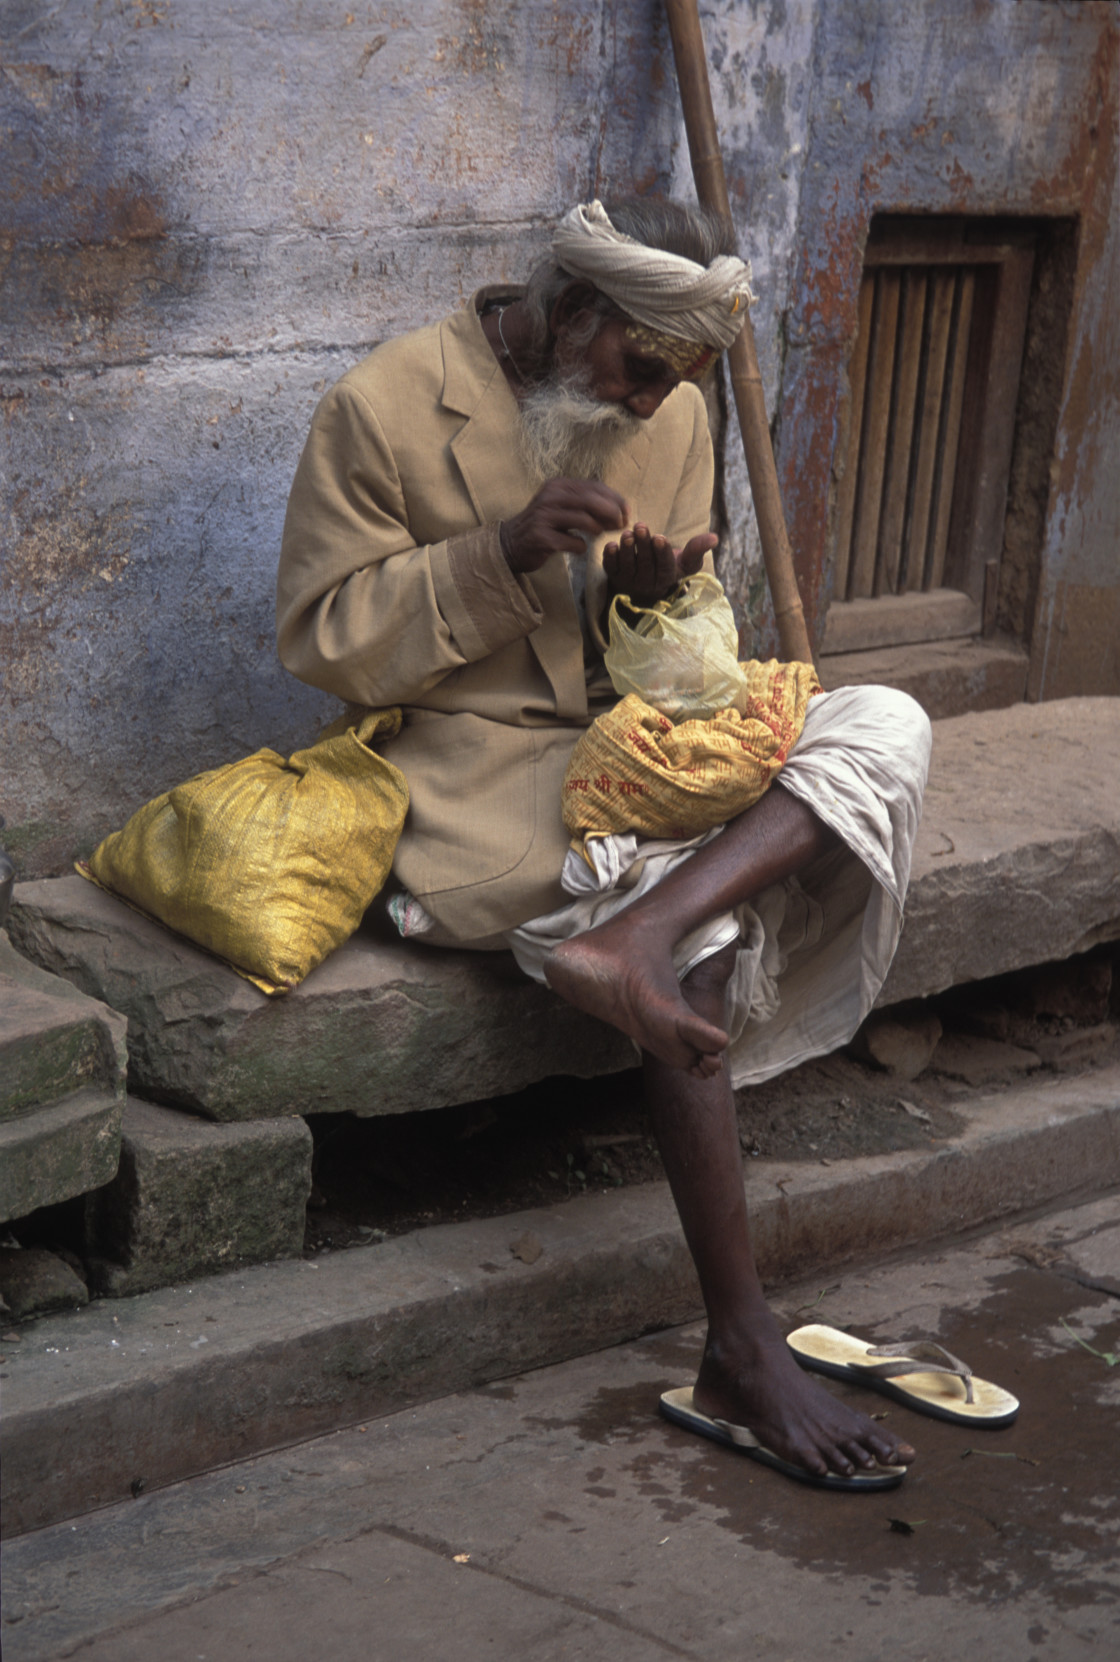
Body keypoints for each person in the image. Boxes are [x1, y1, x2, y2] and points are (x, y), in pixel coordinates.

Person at [277, 198, 932, 1489]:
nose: (651, 410)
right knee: (710, 929)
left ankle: (632, 932)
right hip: (479, 773)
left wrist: (660, 602)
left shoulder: (670, 411)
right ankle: (743, 1340)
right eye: (639, 371)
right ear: (574, 313)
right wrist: (497, 555)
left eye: (677, 383)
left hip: (639, 746)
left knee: (888, 720)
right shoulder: (383, 404)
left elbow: (673, 654)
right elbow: (322, 637)